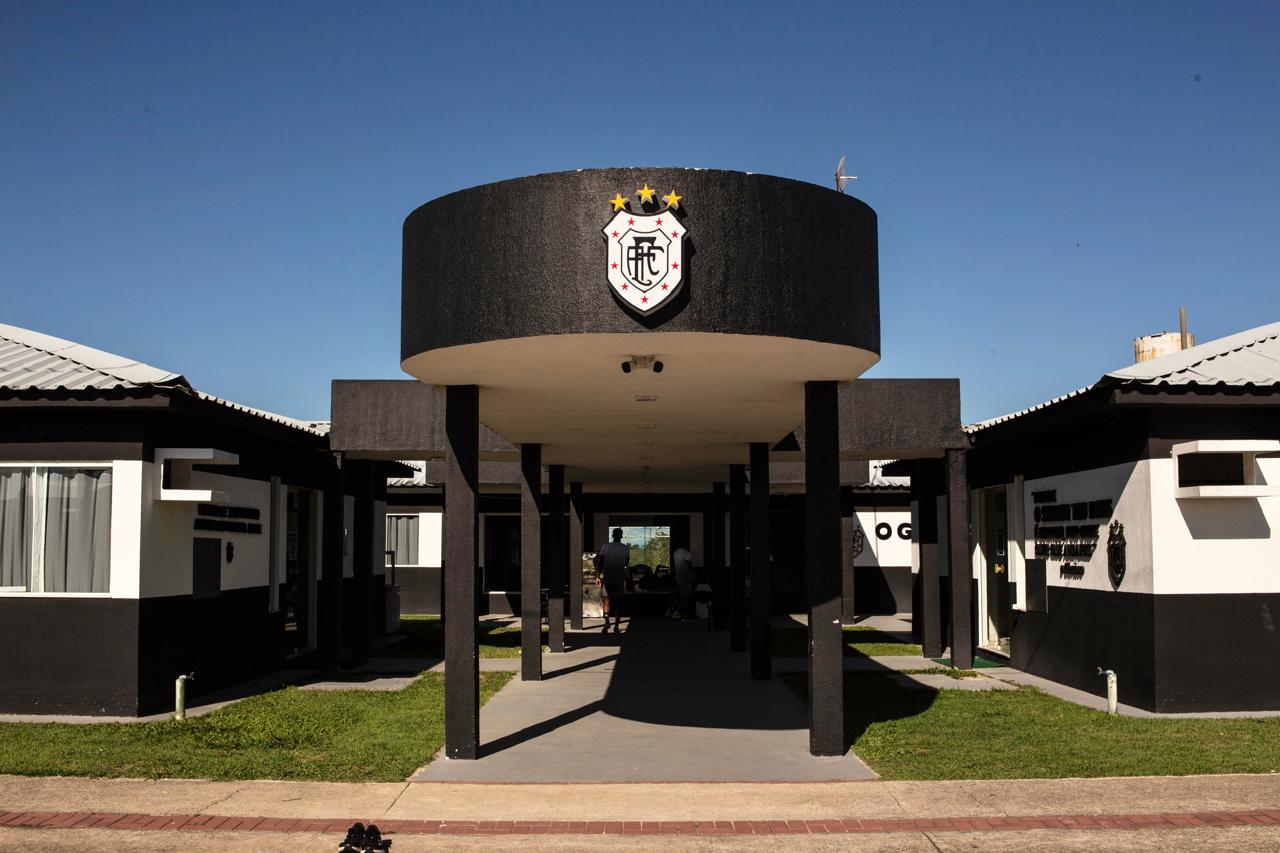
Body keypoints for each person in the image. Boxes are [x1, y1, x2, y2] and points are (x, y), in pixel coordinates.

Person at [594, 527, 630, 632]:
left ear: (612, 535)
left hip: (608, 577)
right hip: (619, 577)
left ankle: (607, 622)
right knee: (618, 601)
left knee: (606, 600)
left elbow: (600, 562)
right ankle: (616, 626)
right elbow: (626, 563)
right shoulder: (625, 548)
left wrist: (598, 576)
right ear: (621, 536)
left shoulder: (605, 547)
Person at [672, 544, 695, 620]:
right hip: (686, 577)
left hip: (678, 576)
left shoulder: (676, 553)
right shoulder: (686, 553)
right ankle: (684, 613)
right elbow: (689, 565)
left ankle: (680, 612)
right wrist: (693, 575)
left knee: (681, 595)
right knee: (686, 596)